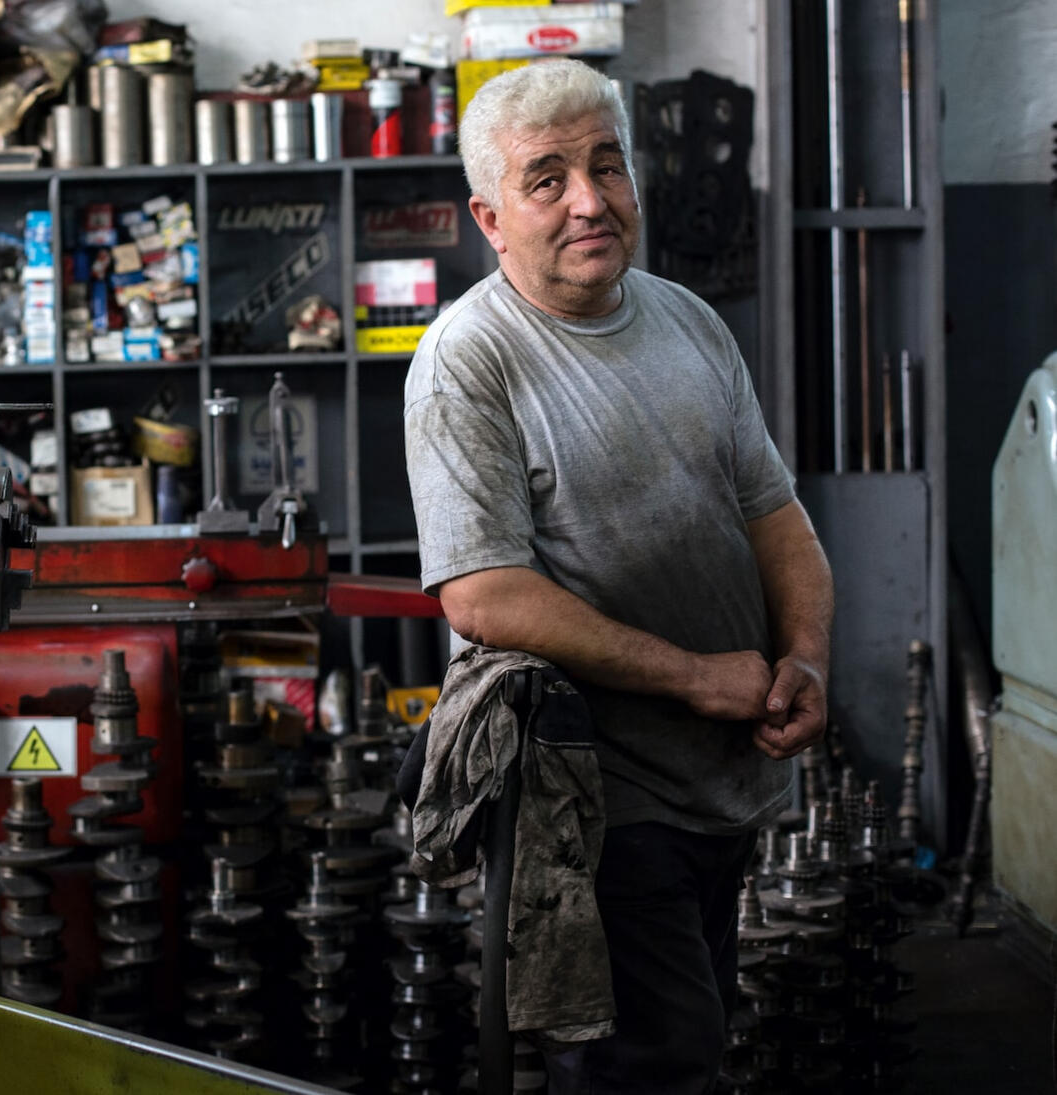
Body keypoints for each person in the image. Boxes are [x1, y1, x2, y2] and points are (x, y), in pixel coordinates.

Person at [403, 59, 834, 1094]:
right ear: (490, 217)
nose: (588, 200)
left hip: (723, 779)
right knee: (658, 1066)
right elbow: (483, 593)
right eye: (545, 178)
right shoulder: (469, 360)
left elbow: (773, 514)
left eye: (606, 165)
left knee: (694, 1036)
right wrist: (693, 676)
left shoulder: (687, 320)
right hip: (596, 799)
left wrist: (804, 659)